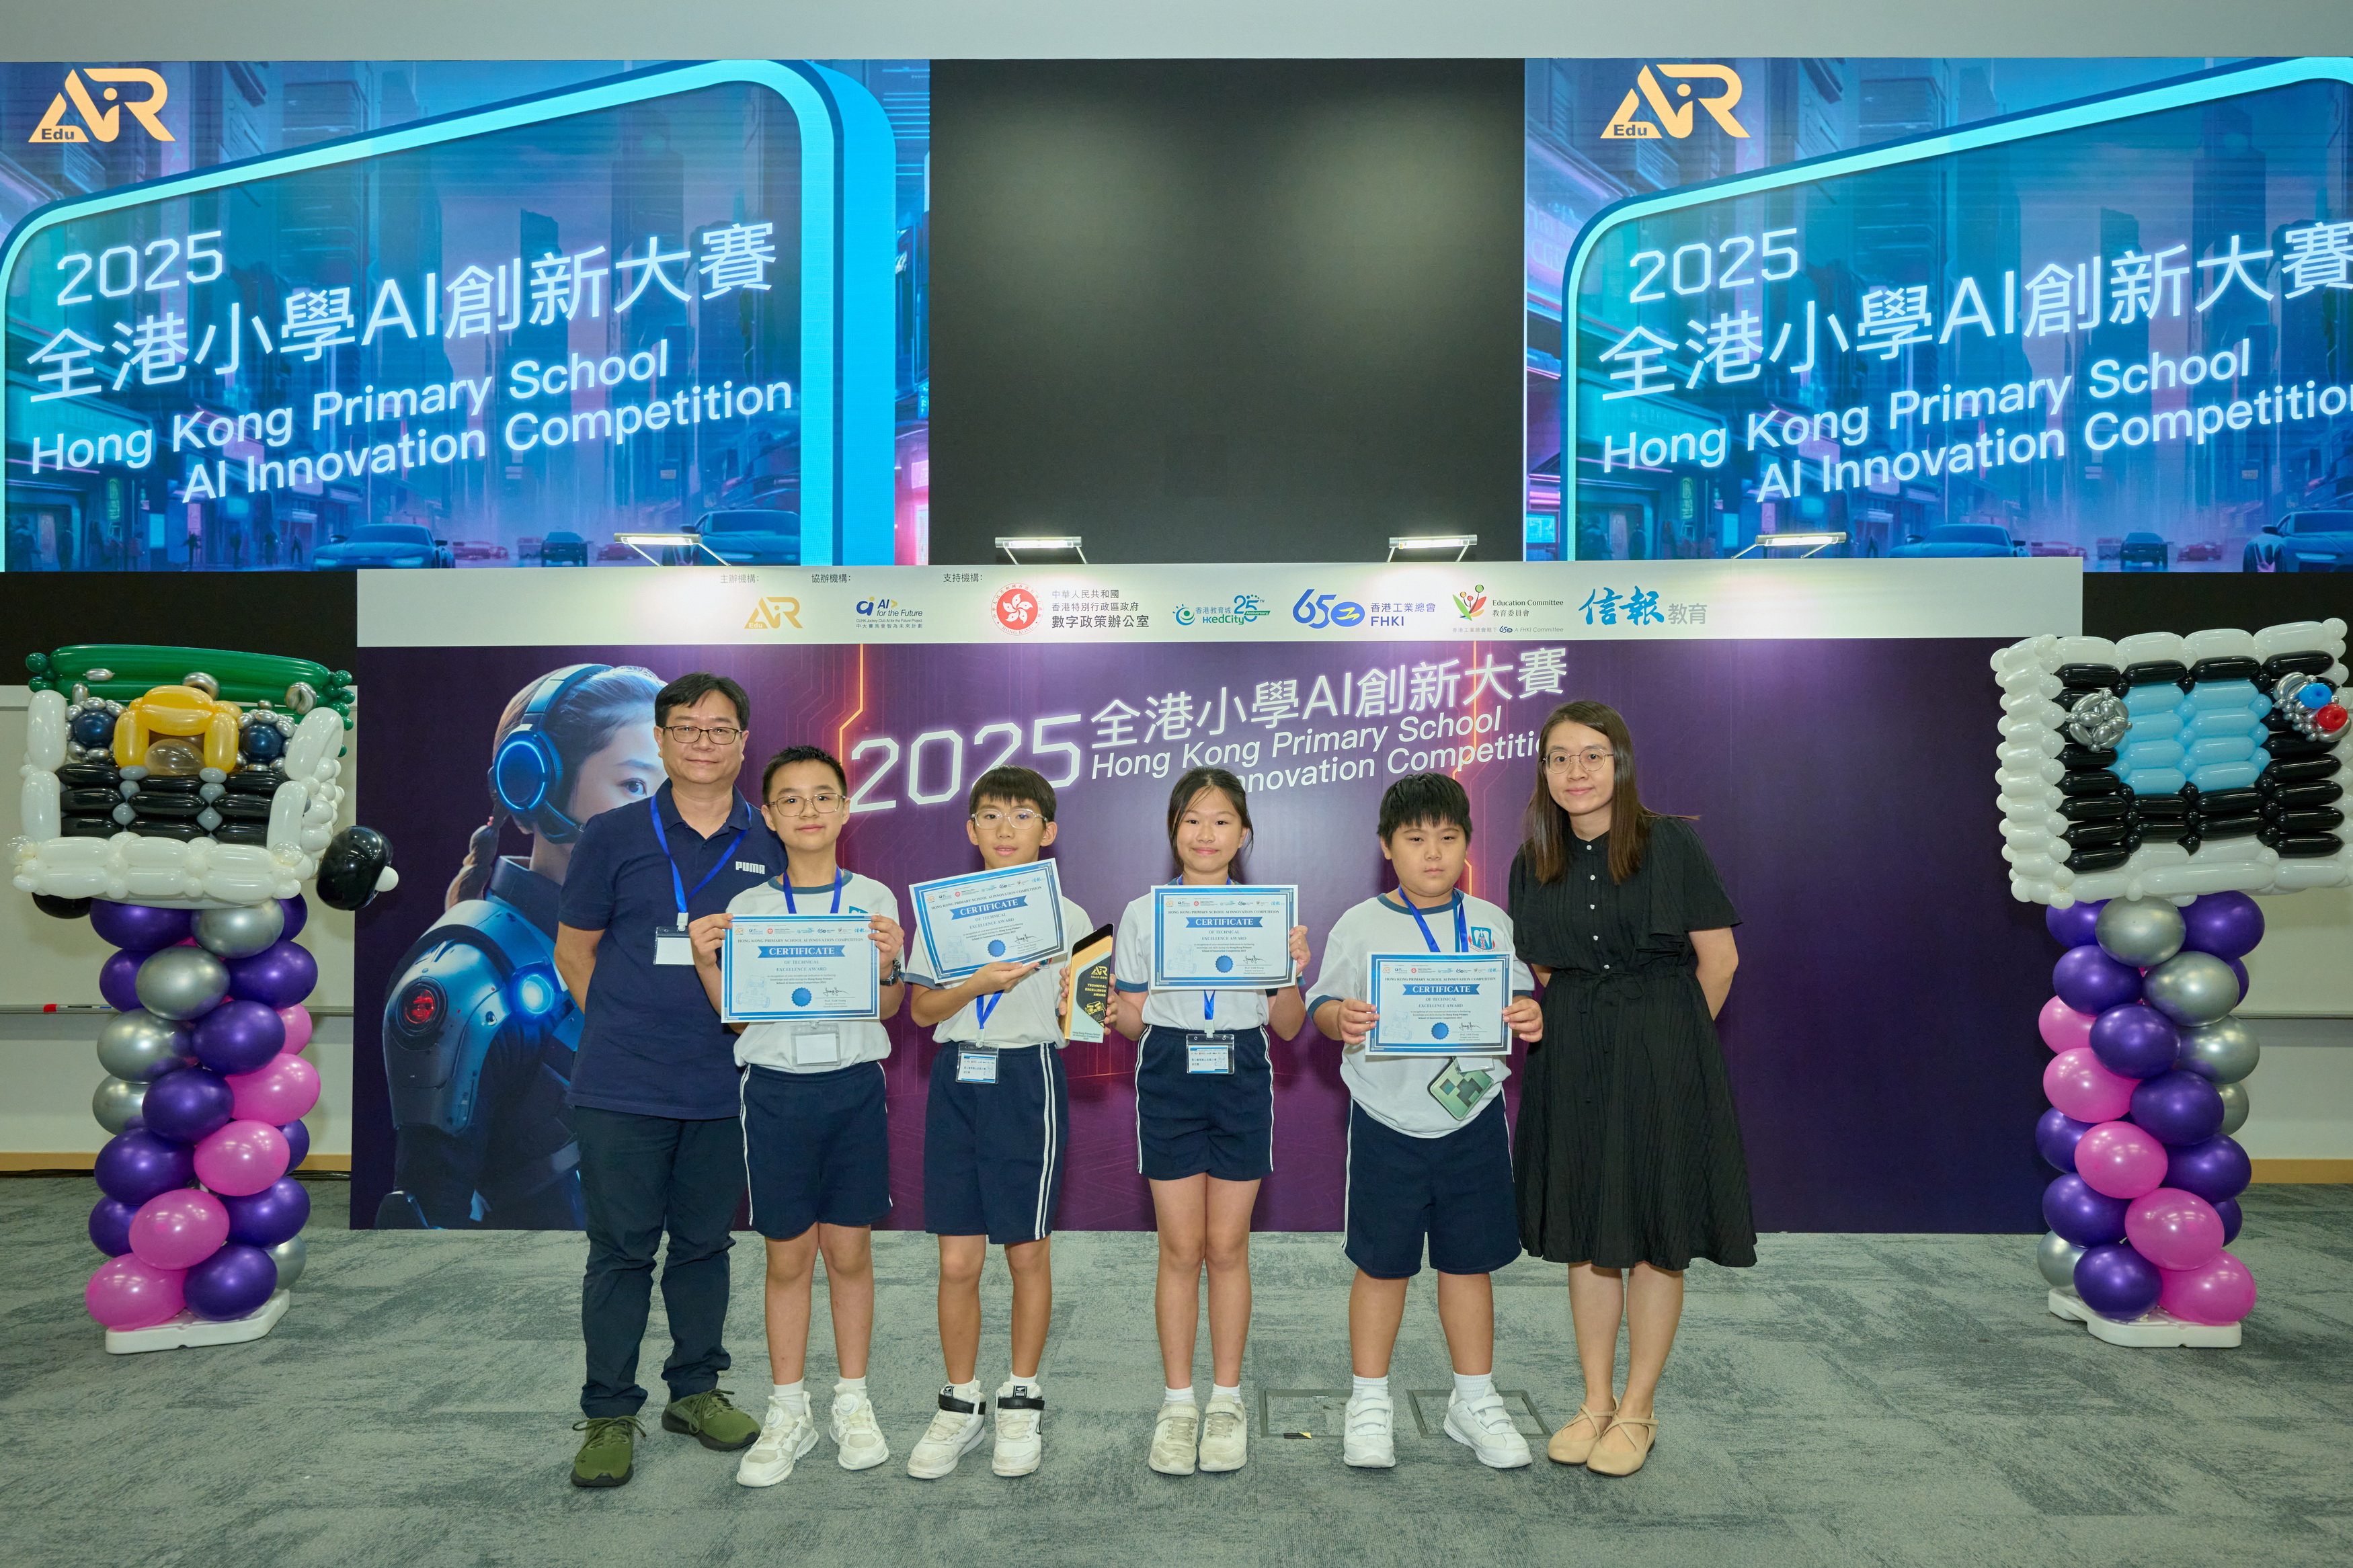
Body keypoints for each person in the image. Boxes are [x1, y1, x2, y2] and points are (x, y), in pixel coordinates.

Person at [1508, 700, 1752, 1478]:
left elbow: (1719, 962)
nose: (1574, 772)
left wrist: (1669, 1044)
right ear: (1542, 771)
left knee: (1653, 1233)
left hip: (1661, 1053)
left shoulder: (1669, 842)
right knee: (1587, 1232)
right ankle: (1593, 1399)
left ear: (1619, 762)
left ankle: (1638, 1405)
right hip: (1574, 1051)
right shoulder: (1531, 859)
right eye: (1557, 757)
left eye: (1591, 754)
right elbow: (1545, 966)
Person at [552, 672, 779, 1489]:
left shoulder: (771, 836)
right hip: (621, 1084)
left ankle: (695, 1390)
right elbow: (573, 950)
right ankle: (610, 1409)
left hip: (726, 1081)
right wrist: (623, 1025)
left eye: (720, 729)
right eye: (686, 727)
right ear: (661, 739)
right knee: (619, 1251)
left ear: (743, 742)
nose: (703, 742)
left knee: (705, 1244)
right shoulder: (612, 833)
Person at [1306, 773, 1544, 1471]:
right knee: (1381, 1263)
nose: (1433, 852)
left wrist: (1530, 1015)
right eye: (1415, 838)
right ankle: (1368, 1400)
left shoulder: (1492, 922)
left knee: (1468, 1261)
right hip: (1386, 1117)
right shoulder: (1359, 924)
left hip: (1472, 1116)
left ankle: (1473, 1399)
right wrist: (1341, 1018)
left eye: (1447, 836)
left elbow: (1521, 999)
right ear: (1388, 846)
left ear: (1467, 842)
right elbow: (1322, 1005)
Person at [377, 663, 663, 1230]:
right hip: (528, 1282)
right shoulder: (468, 981)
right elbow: (429, 1226)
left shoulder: (665, 950)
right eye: (635, 785)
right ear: (534, 785)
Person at [689, 745, 906, 1488]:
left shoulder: (874, 897)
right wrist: (707, 961)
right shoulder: (749, 908)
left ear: (845, 809)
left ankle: (853, 1398)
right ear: (770, 816)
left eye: (822, 796)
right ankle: (789, 1408)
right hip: (776, 1094)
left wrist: (891, 962)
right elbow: (736, 1018)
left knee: (849, 1253)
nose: (808, 810)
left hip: (853, 1089)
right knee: (786, 1258)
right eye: (790, 799)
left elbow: (887, 1006)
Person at [1111, 766, 1310, 1477]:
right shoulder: (1144, 912)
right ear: (1173, 830)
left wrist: (1288, 969)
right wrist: (1098, 1005)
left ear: (1243, 833)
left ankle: (1226, 1400)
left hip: (1241, 1069)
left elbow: (1288, 1025)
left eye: (1221, 820)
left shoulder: (1268, 915)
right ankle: (1178, 1403)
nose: (1206, 833)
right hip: (1169, 1068)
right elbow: (1132, 1018)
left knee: (1226, 1246)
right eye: (1192, 819)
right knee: (1179, 1247)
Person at [899, 766, 1091, 1480]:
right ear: (970, 828)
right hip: (957, 1076)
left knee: (1026, 1252)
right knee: (956, 1260)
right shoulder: (943, 913)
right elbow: (922, 1010)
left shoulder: (1070, 917)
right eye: (990, 815)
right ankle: (960, 1402)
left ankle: (1021, 1396)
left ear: (1048, 830)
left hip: (1025, 1078)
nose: (1005, 828)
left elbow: (1084, 1018)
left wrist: (1085, 999)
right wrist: (975, 983)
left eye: (1021, 815)